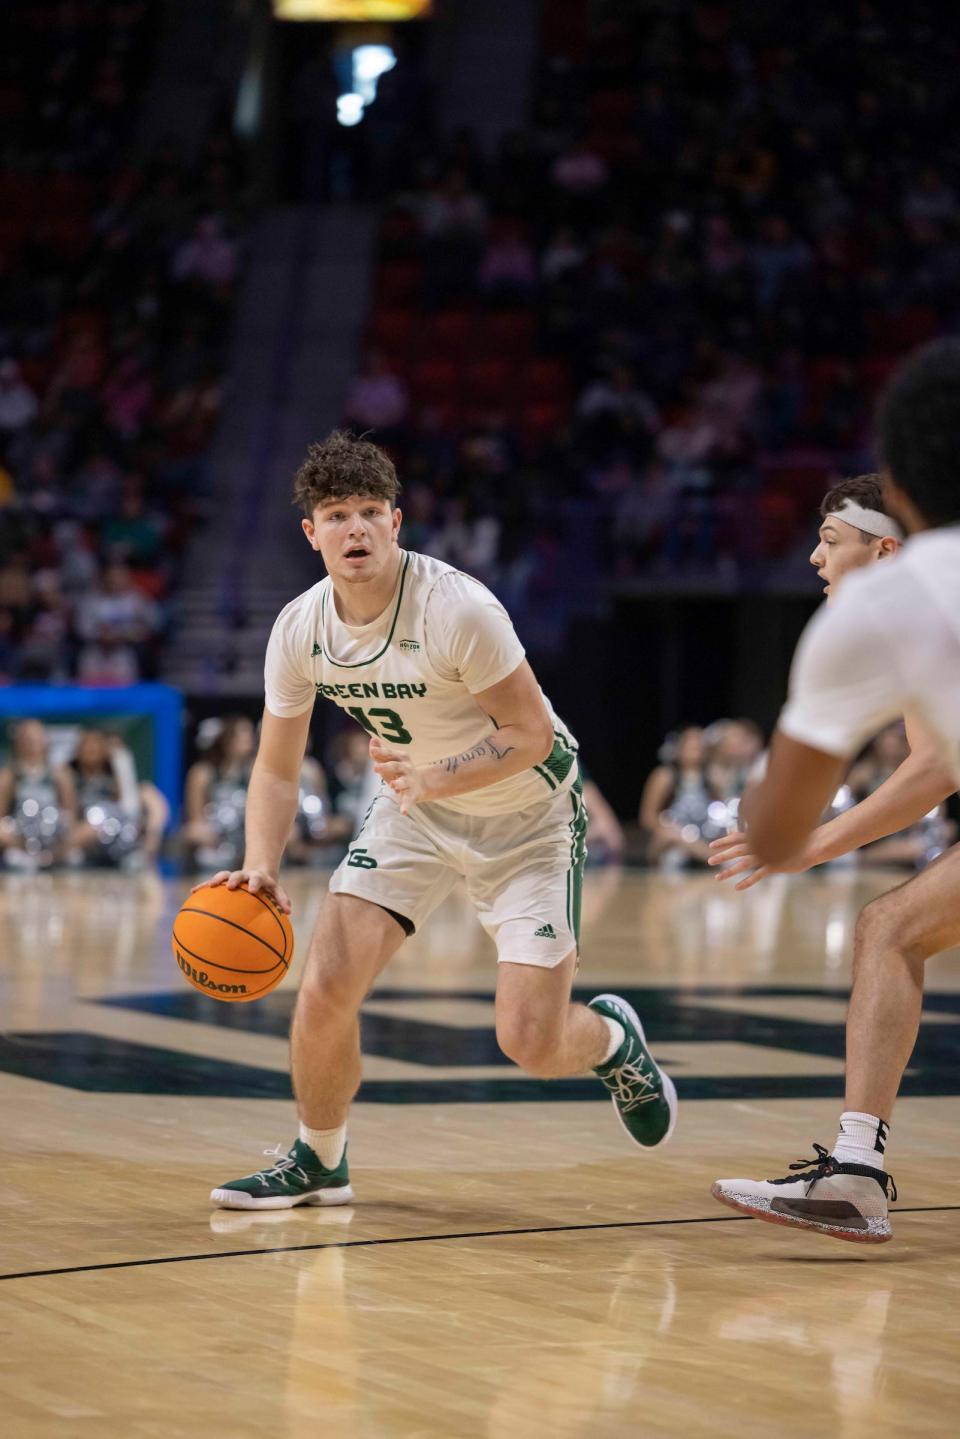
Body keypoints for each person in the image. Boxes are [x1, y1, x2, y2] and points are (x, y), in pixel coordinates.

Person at [200, 430, 676, 1209]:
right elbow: (276, 766)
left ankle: (615, 1044)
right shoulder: (300, 628)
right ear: (310, 533)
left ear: (395, 522)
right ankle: (321, 1159)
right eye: (335, 515)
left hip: (529, 817)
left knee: (530, 1040)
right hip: (413, 811)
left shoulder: (458, 608)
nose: (353, 529)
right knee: (323, 988)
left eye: (367, 513)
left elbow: (530, 736)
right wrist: (260, 864)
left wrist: (435, 774)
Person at [710, 341, 960, 1243]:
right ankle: (856, 1167)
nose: (816, 558)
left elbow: (932, 774)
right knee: (893, 926)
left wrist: (803, 841)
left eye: (830, 538)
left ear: (885, 544)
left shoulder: (893, 603)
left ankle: (858, 1172)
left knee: (888, 928)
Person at [639, 726, 727, 868]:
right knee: (674, 857)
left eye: (699, 745)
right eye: (690, 745)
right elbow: (647, 817)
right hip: (672, 839)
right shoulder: (664, 776)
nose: (696, 750)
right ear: (679, 748)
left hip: (704, 837)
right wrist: (671, 830)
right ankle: (708, 856)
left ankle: (708, 855)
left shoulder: (712, 778)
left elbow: (721, 815)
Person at [0, 718, 76, 870]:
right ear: (19, 742)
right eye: (27, 738)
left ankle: (52, 857)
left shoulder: (60, 774)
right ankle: (27, 856)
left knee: (87, 830)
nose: (32, 743)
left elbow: (70, 813)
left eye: (36, 737)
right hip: (20, 836)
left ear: (45, 740)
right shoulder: (9, 774)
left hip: (54, 835)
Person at [182, 715, 256, 871]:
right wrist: (209, 835)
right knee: (195, 835)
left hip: (245, 839)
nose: (248, 741)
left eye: (250, 736)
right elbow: (195, 821)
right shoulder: (202, 774)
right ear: (226, 740)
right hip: (215, 841)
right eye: (241, 736)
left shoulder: (253, 772)